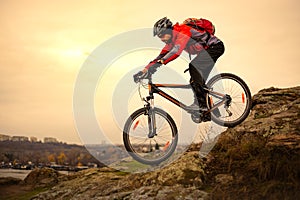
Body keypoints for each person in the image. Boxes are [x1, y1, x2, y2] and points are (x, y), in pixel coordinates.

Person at [133, 17, 225, 120]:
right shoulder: (171, 41)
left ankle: (202, 105)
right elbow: (160, 57)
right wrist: (144, 71)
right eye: (159, 37)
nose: (161, 39)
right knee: (195, 80)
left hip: (215, 47)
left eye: (162, 35)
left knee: (193, 67)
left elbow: (176, 51)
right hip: (206, 51)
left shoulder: (183, 31)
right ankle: (209, 112)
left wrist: (161, 62)